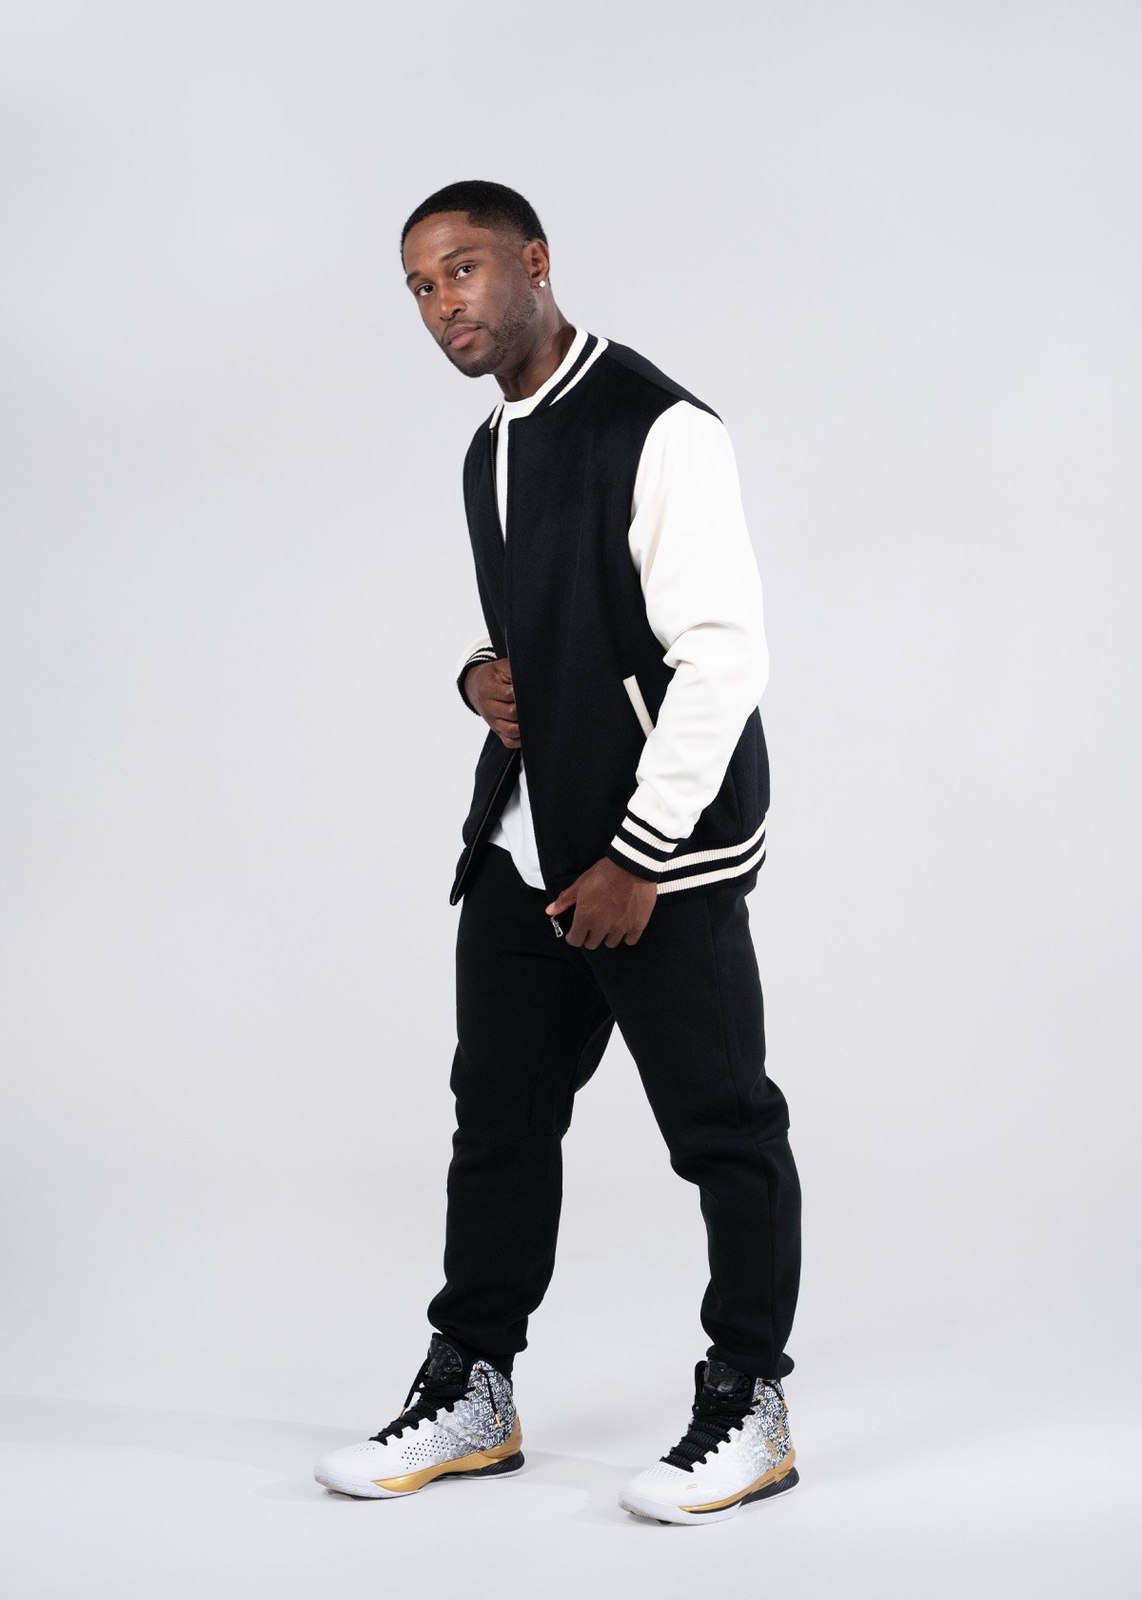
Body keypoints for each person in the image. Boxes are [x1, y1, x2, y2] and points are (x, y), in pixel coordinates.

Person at [313, 181, 802, 1526]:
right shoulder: (489, 446)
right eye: (420, 287)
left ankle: (750, 1403)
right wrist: (480, 673)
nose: (443, 304)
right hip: (525, 843)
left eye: (463, 269)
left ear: (533, 261)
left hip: (657, 860)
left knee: (723, 1131)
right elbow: (550, 624)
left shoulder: (661, 426)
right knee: (498, 1125)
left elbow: (720, 658)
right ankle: (474, 1390)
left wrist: (639, 856)